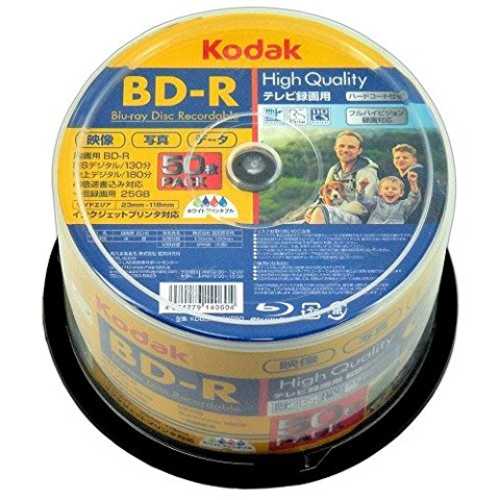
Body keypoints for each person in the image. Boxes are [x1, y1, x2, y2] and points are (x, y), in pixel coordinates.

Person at [304, 130, 378, 222]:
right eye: (341, 146)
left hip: (359, 219)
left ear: (359, 150)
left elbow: (364, 207)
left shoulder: (366, 172)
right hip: (335, 212)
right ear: (335, 148)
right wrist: (312, 208)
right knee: (301, 222)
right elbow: (324, 195)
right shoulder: (334, 170)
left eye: (351, 147)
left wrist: (330, 209)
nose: (345, 150)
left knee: (321, 212)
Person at [357, 172, 421, 224]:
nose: (390, 191)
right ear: (380, 192)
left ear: (401, 193)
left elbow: (414, 199)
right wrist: (362, 187)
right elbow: (362, 199)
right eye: (386, 188)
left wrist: (413, 183)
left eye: (394, 189)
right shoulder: (376, 202)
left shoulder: (403, 205)